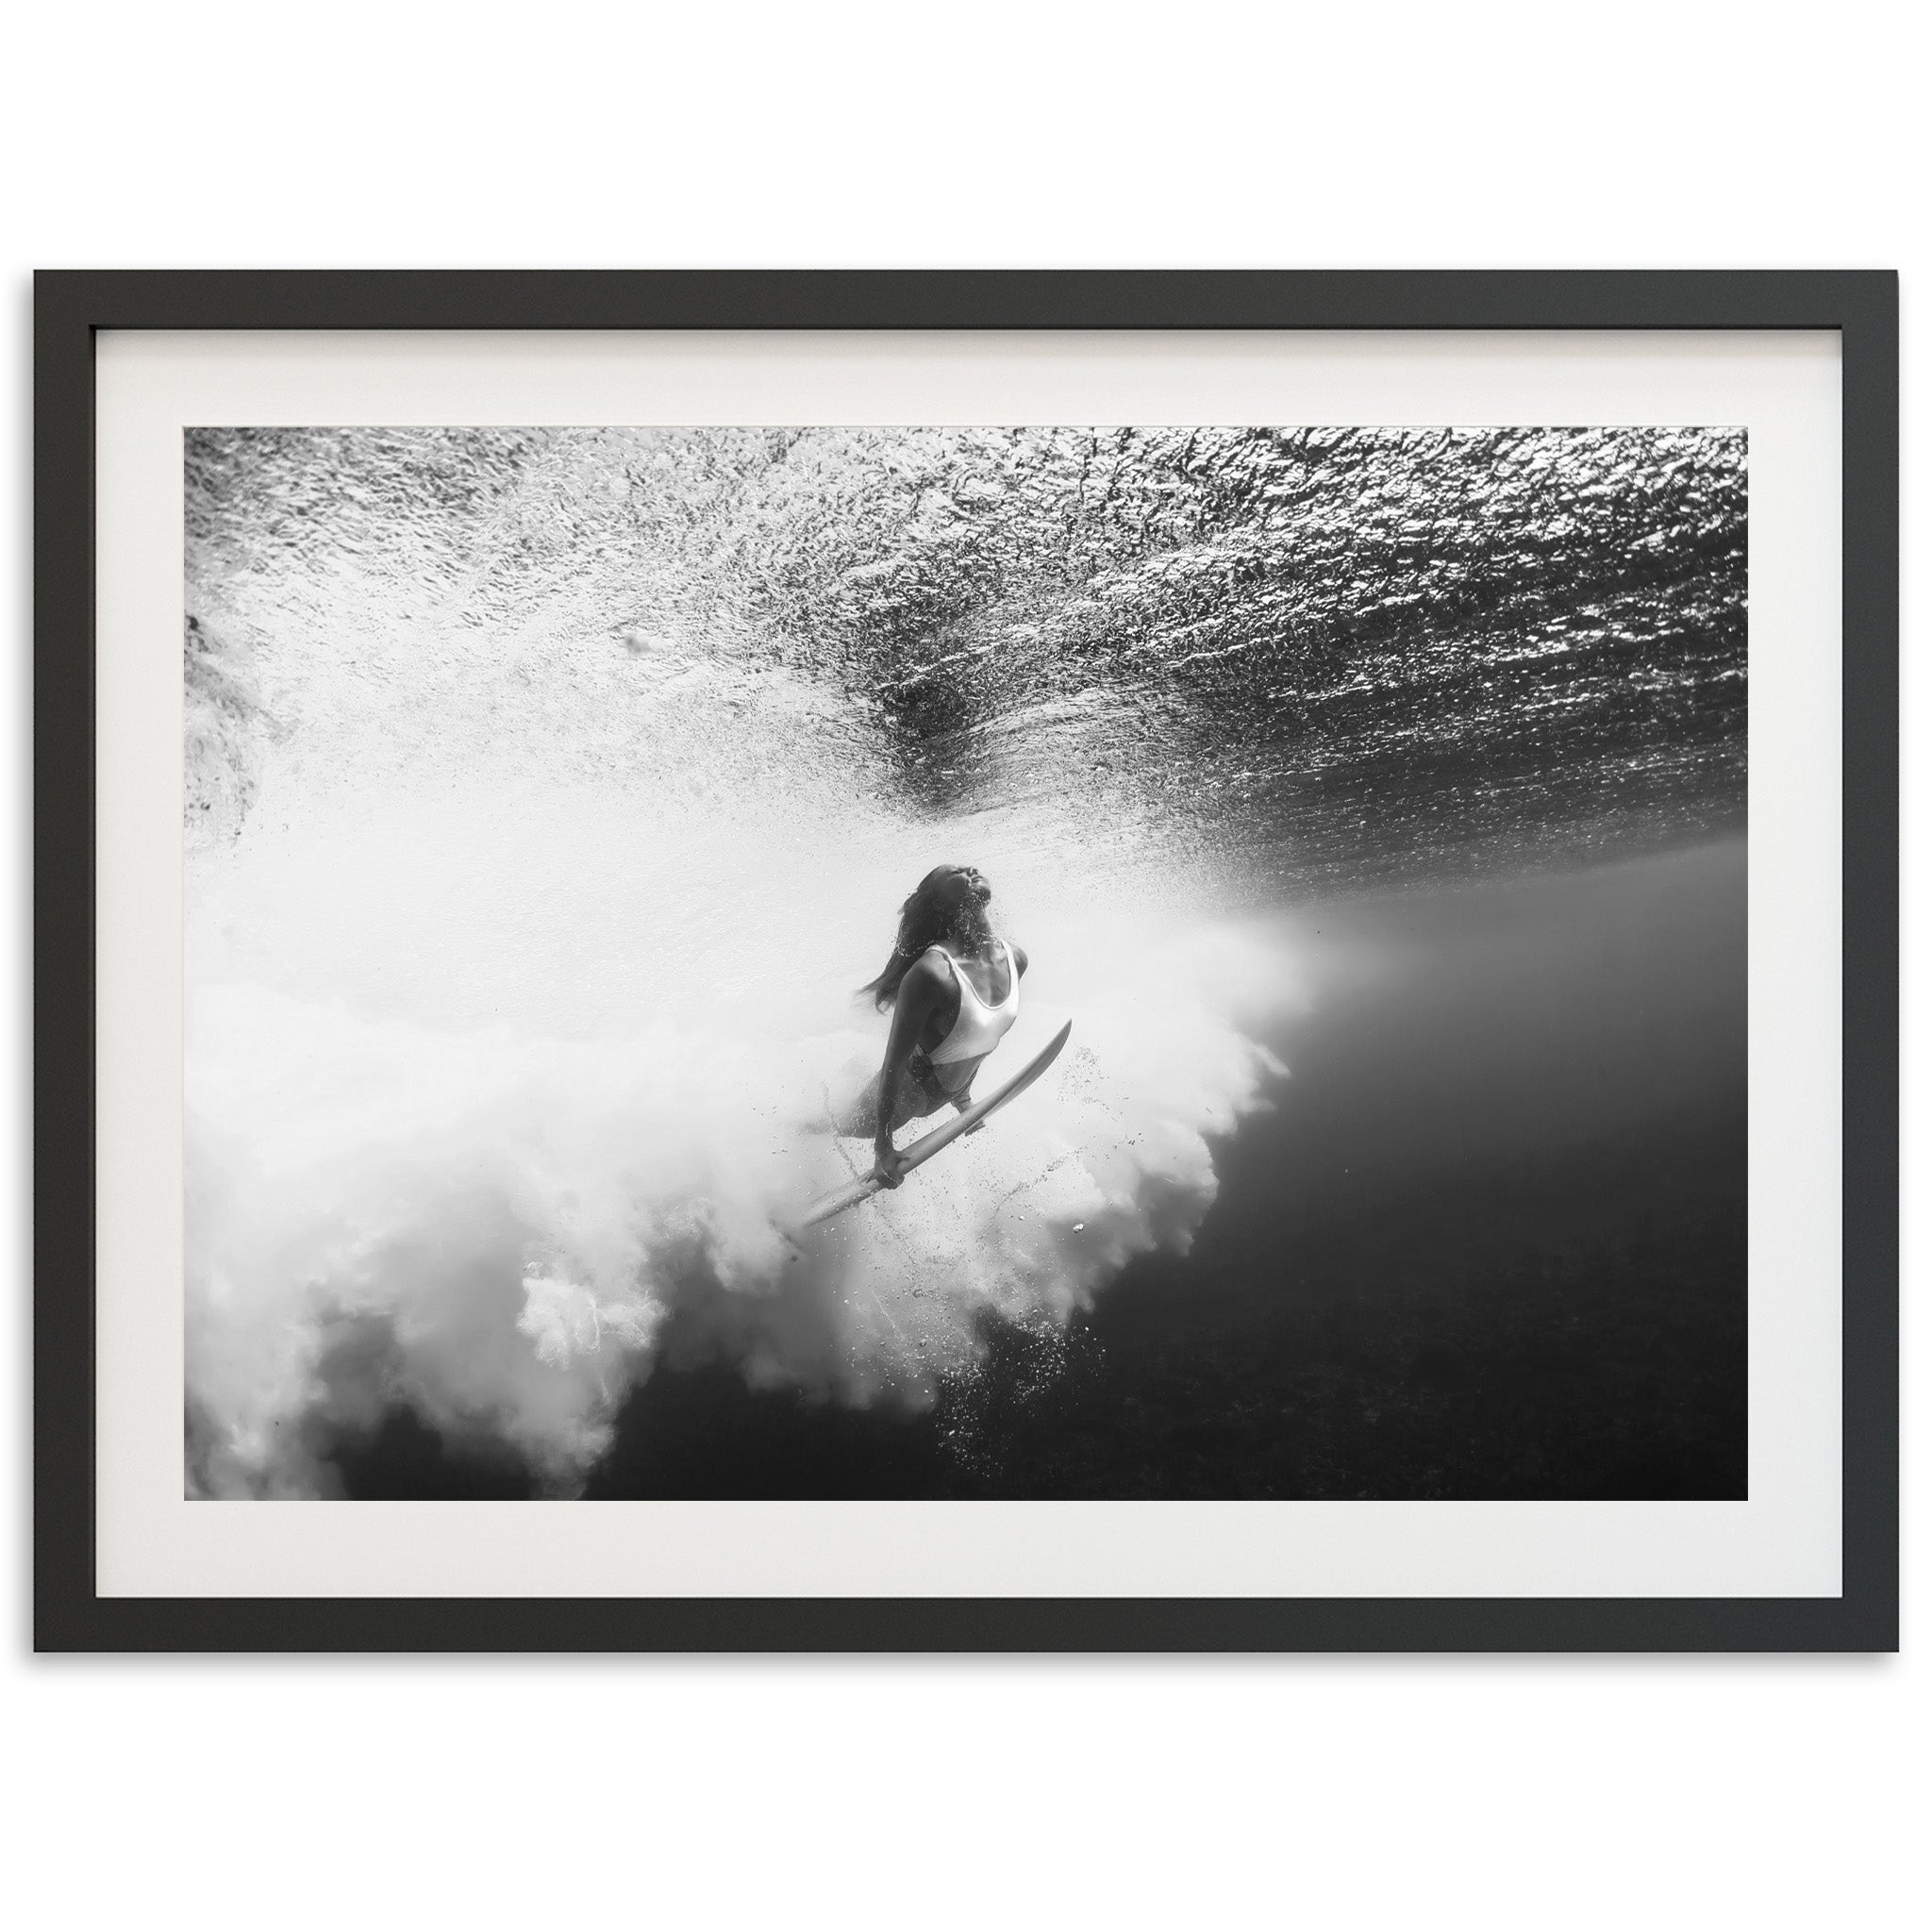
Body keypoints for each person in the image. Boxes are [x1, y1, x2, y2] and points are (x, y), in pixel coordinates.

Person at [843, 864, 1029, 1189]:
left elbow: (977, 1036)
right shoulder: (931, 974)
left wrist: (963, 1098)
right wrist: (883, 1148)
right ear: (941, 904)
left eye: (970, 866)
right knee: (832, 1123)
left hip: (948, 1092)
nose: (970, 869)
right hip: (904, 1098)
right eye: (955, 872)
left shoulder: (1015, 959)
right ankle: (772, 1131)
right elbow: (893, 1064)